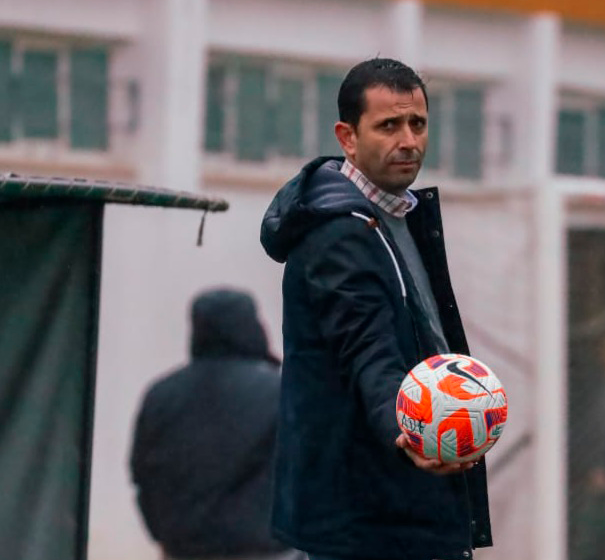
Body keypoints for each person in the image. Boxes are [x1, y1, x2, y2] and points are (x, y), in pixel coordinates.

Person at [259, 58, 492, 560]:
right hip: (364, 527)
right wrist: (407, 430)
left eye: (418, 123)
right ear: (347, 137)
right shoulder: (340, 233)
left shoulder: (396, 216)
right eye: (389, 125)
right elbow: (370, 351)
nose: (408, 140)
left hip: (402, 513)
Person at [130, 288, 298, 560]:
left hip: (184, 551)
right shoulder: (282, 392)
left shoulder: (161, 396)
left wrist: (163, 536)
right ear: (253, 327)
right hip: (265, 551)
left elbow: (143, 475)